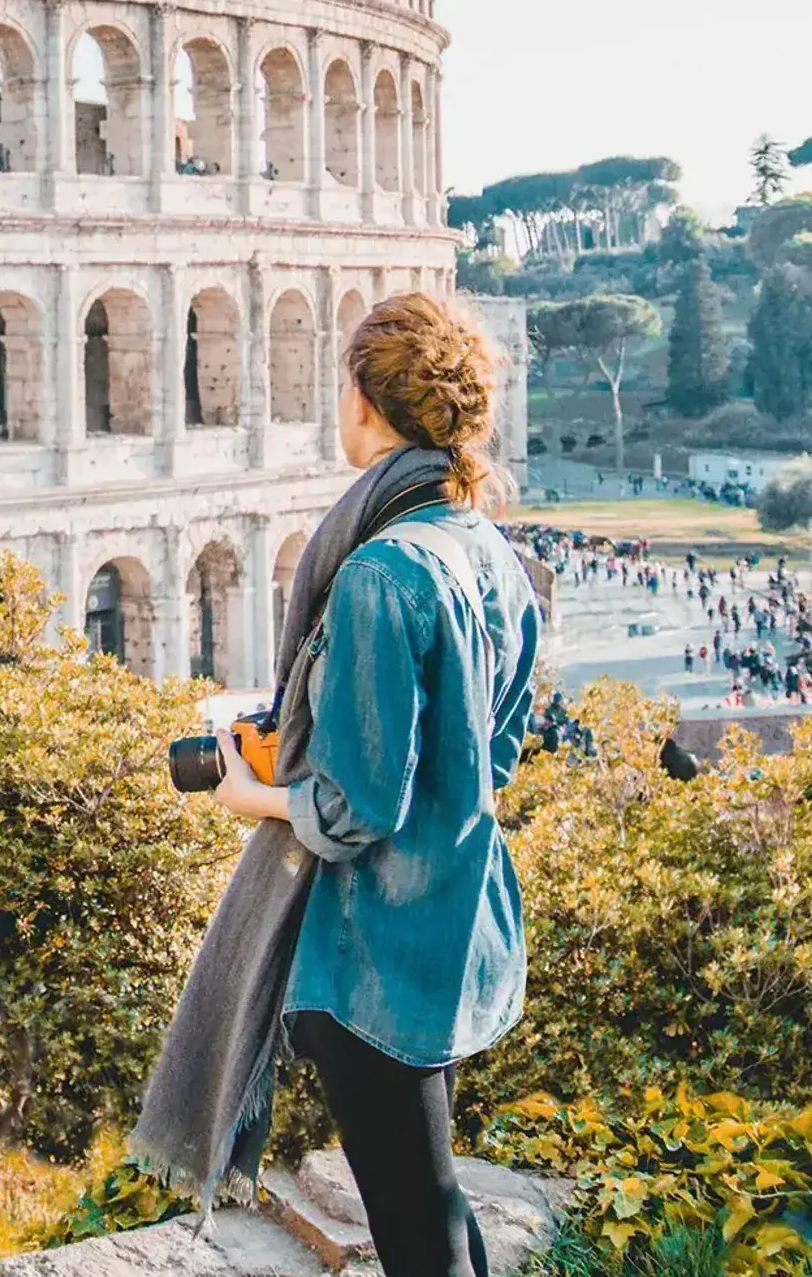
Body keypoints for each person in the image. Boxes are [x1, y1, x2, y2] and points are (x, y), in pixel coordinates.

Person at [135, 292, 537, 1277]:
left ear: (367, 401)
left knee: (411, 1213)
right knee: (425, 1189)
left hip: (374, 948)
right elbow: (494, 749)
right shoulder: (490, 553)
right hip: (460, 916)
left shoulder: (378, 574)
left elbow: (354, 811)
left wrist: (254, 797)